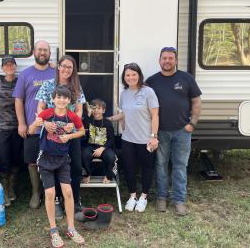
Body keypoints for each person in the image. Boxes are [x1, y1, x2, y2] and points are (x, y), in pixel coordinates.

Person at [146, 46, 202, 216]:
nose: (167, 61)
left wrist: (192, 123)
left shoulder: (186, 79)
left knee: (179, 166)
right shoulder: (152, 81)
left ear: (176, 60)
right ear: (159, 60)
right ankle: (162, 198)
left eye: (171, 58)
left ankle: (179, 200)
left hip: (182, 131)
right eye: (164, 58)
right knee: (161, 165)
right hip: (160, 132)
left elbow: (196, 102)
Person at [29, 85, 85, 248]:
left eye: (65, 98)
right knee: (50, 193)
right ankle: (54, 230)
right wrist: (38, 123)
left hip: (62, 159)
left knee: (68, 192)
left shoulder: (72, 116)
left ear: (69, 101)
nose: (61, 100)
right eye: (58, 97)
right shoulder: (47, 113)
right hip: (45, 158)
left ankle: (71, 228)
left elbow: (82, 131)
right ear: (53, 99)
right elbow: (33, 128)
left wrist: (69, 135)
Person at [35, 55, 86, 217]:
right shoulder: (48, 85)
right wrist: (44, 124)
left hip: (71, 134)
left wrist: (73, 125)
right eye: (63, 66)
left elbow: (79, 110)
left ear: (73, 70)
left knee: (76, 167)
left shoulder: (76, 87)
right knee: (53, 166)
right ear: (58, 66)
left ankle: (74, 200)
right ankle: (56, 201)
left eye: (70, 67)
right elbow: (40, 108)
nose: (66, 69)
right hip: (51, 135)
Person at [109, 62, 159, 213]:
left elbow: (155, 115)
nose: (130, 77)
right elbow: (124, 113)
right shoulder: (124, 93)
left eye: (133, 74)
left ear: (139, 75)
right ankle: (132, 196)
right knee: (129, 168)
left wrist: (154, 136)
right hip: (128, 138)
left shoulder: (148, 91)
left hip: (146, 139)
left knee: (146, 168)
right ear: (124, 77)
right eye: (127, 75)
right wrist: (109, 119)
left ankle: (143, 196)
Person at [12, 40, 55, 209]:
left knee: (52, 160)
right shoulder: (25, 74)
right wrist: (22, 123)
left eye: (45, 50)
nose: (42, 52)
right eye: (39, 49)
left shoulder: (56, 72)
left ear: (49, 53)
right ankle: (36, 193)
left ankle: (49, 193)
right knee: (32, 161)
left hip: (53, 128)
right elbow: (18, 100)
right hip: (33, 126)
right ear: (34, 52)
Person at [0, 56, 22, 207]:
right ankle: (4, 191)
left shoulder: (21, 81)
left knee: (15, 159)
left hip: (18, 126)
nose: (9, 67)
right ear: (2, 68)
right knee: (3, 159)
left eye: (11, 64)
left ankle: (12, 188)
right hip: (1, 127)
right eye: (6, 65)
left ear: (15, 66)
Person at [82, 98, 116, 184]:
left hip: (104, 147)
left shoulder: (107, 123)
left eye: (99, 108)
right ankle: (87, 174)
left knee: (111, 157)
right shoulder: (89, 120)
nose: (96, 111)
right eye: (94, 108)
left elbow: (111, 139)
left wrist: (102, 148)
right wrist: (88, 114)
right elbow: (83, 126)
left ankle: (108, 175)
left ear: (103, 110)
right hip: (91, 146)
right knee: (84, 155)